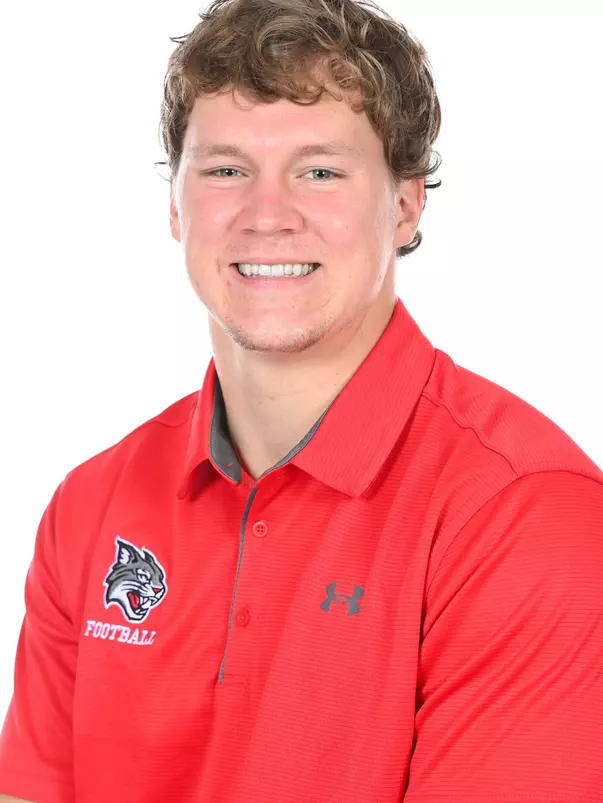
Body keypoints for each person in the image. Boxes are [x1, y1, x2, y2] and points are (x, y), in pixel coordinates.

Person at [1, 0, 603, 800]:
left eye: (319, 171)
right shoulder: (91, 504)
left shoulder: (522, 513)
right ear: (176, 205)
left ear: (404, 204)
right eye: (225, 169)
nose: (266, 215)